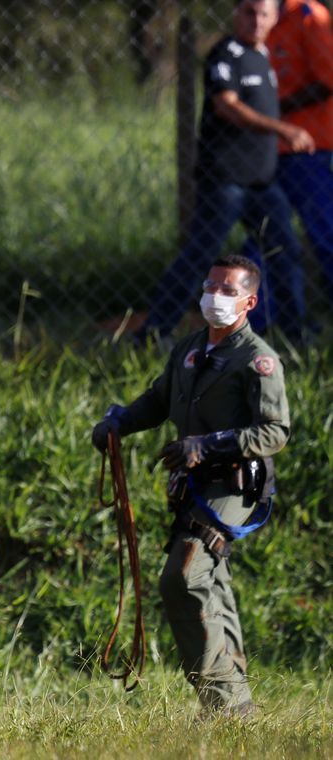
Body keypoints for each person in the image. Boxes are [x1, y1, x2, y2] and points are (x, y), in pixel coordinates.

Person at [93, 254, 289, 718]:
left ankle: (222, 702)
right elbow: (158, 401)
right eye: (210, 286)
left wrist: (212, 443)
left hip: (234, 484)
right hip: (192, 484)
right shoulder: (189, 347)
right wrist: (119, 422)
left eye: (228, 290)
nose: (215, 297)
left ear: (249, 301)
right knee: (211, 581)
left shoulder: (257, 359)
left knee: (183, 577)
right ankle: (236, 701)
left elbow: (275, 431)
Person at [137, 0, 314, 344]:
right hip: (226, 181)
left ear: (275, 17)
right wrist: (282, 130)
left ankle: (296, 335)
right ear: (236, 13)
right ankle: (153, 333)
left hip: (262, 184)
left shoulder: (264, 57)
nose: (256, 20)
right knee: (201, 254)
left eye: (264, 13)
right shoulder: (226, 53)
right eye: (249, 11)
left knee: (285, 251)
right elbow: (226, 106)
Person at [244, 0, 333, 331]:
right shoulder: (257, 15)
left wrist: (271, 112)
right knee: (263, 238)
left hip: (308, 149)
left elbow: (326, 82)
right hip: (267, 150)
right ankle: (256, 320)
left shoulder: (309, 16)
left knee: (325, 234)